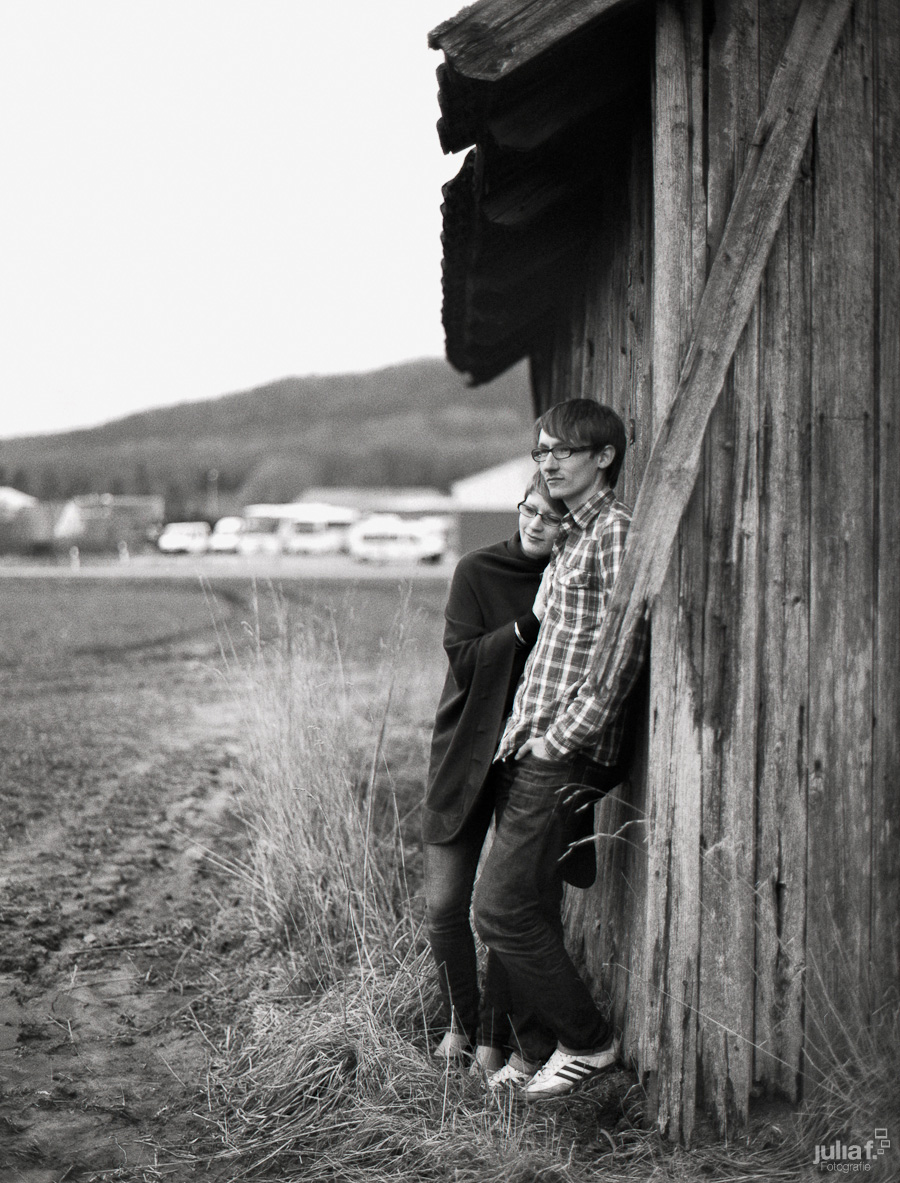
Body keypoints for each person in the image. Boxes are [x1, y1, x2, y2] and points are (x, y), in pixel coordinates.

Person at [472, 398, 648, 1100]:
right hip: (530, 741)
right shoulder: (571, 536)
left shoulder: (613, 531)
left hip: (562, 750)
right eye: (541, 449)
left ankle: (588, 1042)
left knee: (499, 909)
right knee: (531, 906)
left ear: (603, 456)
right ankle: (536, 1049)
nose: (548, 460)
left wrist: (559, 740)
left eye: (563, 449)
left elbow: (621, 649)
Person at [423, 473, 567, 1073]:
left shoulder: (573, 581)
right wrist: (528, 623)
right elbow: (463, 659)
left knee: (510, 902)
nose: (535, 523)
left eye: (551, 518)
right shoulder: (477, 571)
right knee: (444, 905)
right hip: (464, 749)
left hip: (528, 757)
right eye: (529, 510)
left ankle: (490, 1039)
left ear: (571, 527)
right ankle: (460, 1020)